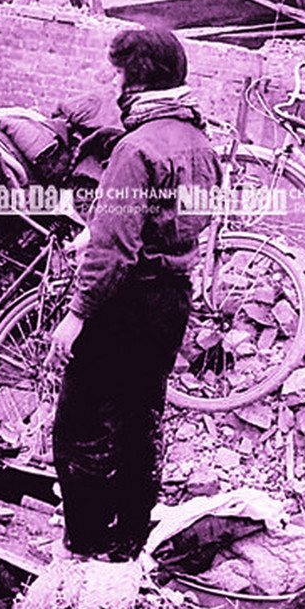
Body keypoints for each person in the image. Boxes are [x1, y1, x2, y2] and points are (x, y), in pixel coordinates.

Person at [48, 30, 222, 562]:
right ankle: (129, 541)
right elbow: (189, 220)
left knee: (80, 426)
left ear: (136, 79)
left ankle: (86, 545)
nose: (113, 83)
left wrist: (76, 316)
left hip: (124, 303)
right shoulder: (198, 141)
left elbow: (114, 252)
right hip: (170, 300)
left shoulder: (134, 147)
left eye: (117, 73)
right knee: (139, 419)